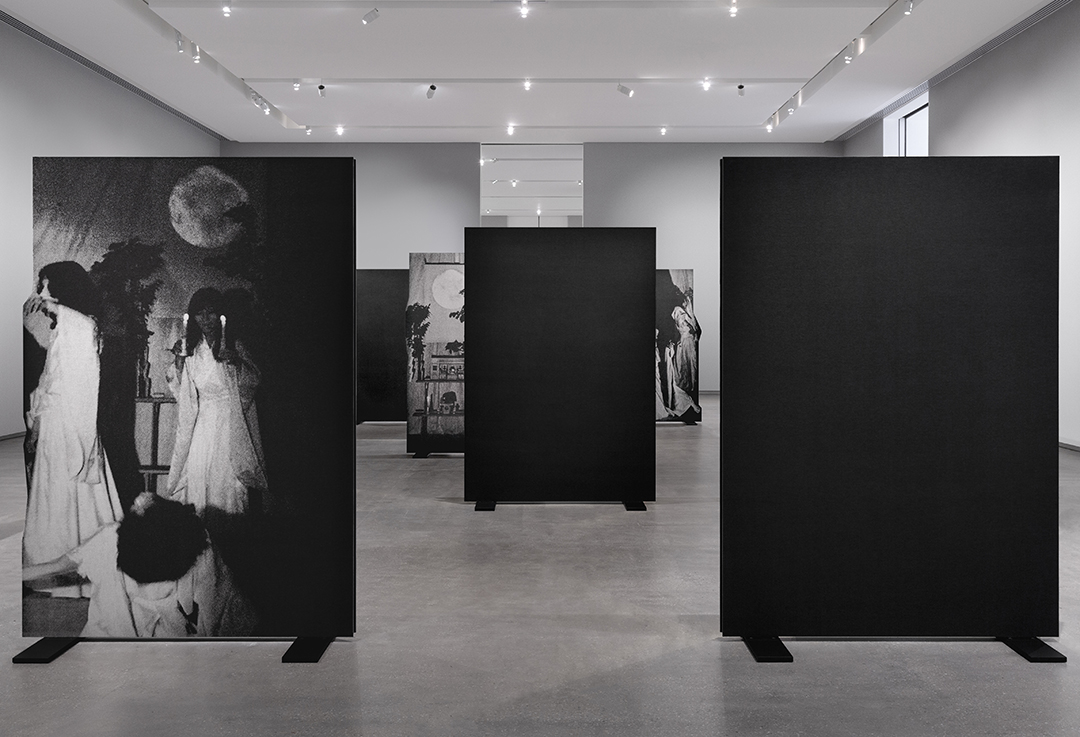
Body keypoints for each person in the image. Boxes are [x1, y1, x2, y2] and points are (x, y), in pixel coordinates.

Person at [22, 492, 257, 637]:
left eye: (138, 510)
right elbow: (226, 615)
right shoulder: (196, 544)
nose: (139, 498)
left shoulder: (110, 539)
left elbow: (57, 565)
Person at [22, 261, 123, 597]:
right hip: (54, 426)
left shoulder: (82, 326)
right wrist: (36, 419)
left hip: (69, 428)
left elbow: (73, 380)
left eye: (47, 286)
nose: (42, 293)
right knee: (55, 499)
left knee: (72, 496)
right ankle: (52, 571)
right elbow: (50, 377)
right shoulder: (67, 328)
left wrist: (53, 308)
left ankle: (84, 573)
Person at [164, 287, 267, 522]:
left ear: (221, 314)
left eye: (211, 313)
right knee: (198, 473)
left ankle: (229, 536)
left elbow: (253, 381)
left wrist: (237, 364)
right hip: (202, 422)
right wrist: (179, 364)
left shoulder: (233, 343)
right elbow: (182, 389)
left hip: (229, 422)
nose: (206, 320)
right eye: (200, 314)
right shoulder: (189, 347)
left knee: (226, 480)